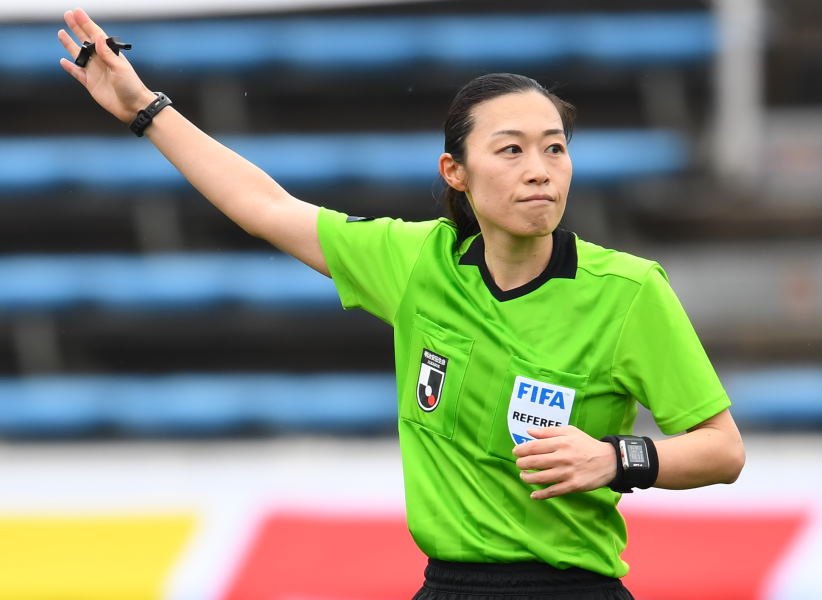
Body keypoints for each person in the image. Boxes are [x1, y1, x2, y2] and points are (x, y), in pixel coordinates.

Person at [58, 9, 745, 599]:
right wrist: (147, 110)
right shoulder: (418, 261)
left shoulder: (627, 291)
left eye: (555, 149)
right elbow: (265, 207)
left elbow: (722, 450)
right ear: (456, 172)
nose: (540, 168)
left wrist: (616, 458)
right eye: (511, 149)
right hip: (447, 586)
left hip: (573, 587)